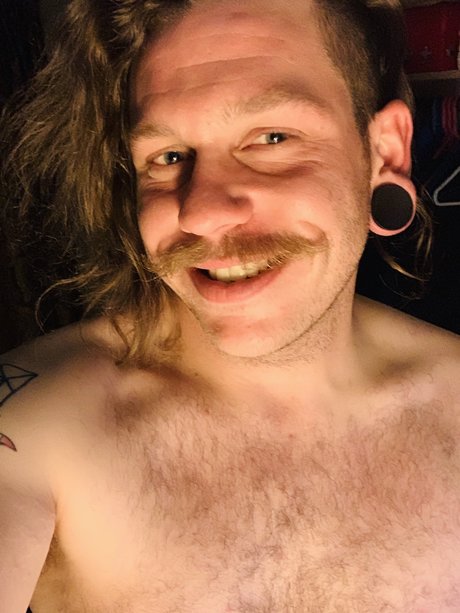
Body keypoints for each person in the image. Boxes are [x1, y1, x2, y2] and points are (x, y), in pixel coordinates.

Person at [0, 0, 459, 611]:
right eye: (168, 157)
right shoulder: (38, 426)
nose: (202, 213)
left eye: (271, 138)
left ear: (385, 152)